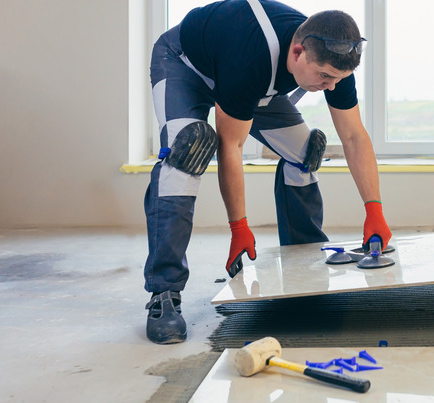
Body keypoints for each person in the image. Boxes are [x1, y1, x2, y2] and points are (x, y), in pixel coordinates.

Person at [143, 0, 392, 344]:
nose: (331, 86)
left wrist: (374, 209)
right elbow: (230, 147)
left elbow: (353, 135)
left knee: (306, 152)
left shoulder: (333, 58)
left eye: (338, 79)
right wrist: (239, 228)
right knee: (187, 152)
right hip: (184, 64)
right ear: (298, 52)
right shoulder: (251, 57)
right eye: (324, 77)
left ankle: (305, 266)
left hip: (248, 80)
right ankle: (164, 294)